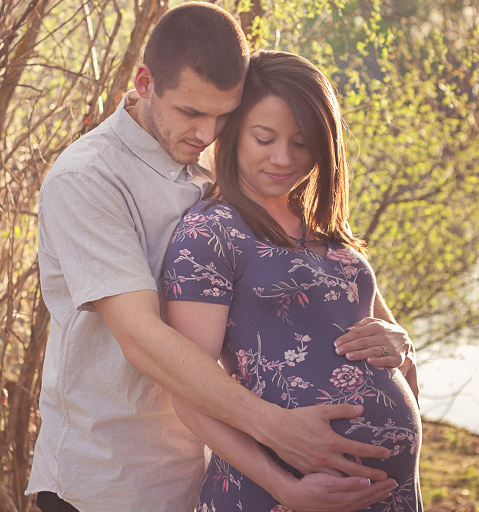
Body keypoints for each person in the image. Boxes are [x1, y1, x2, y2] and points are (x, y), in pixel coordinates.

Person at [28, 3, 414, 511]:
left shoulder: (216, 166)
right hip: (108, 478)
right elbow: (142, 340)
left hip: (202, 472)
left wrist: (397, 338)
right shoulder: (90, 179)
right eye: (191, 112)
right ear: (144, 82)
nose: (207, 133)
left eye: (223, 115)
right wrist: (279, 431)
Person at [162, 50, 422, 511]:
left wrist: (401, 342)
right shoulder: (210, 232)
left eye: (301, 143)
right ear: (235, 133)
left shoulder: (325, 230)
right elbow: (190, 391)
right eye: (264, 139)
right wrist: (288, 489)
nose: (283, 158)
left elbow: (386, 333)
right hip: (276, 496)